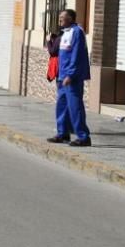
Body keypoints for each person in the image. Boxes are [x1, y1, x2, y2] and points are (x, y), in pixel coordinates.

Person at [48, 9, 92, 146]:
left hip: (71, 77)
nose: (60, 20)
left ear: (71, 19)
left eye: (63, 18)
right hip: (62, 76)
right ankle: (63, 133)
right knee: (62, 106)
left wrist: (71, 74)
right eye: (59, 17)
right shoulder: (65, 32)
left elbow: (77, 55)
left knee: (75, 106)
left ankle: (83, 137)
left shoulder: (77, 32)